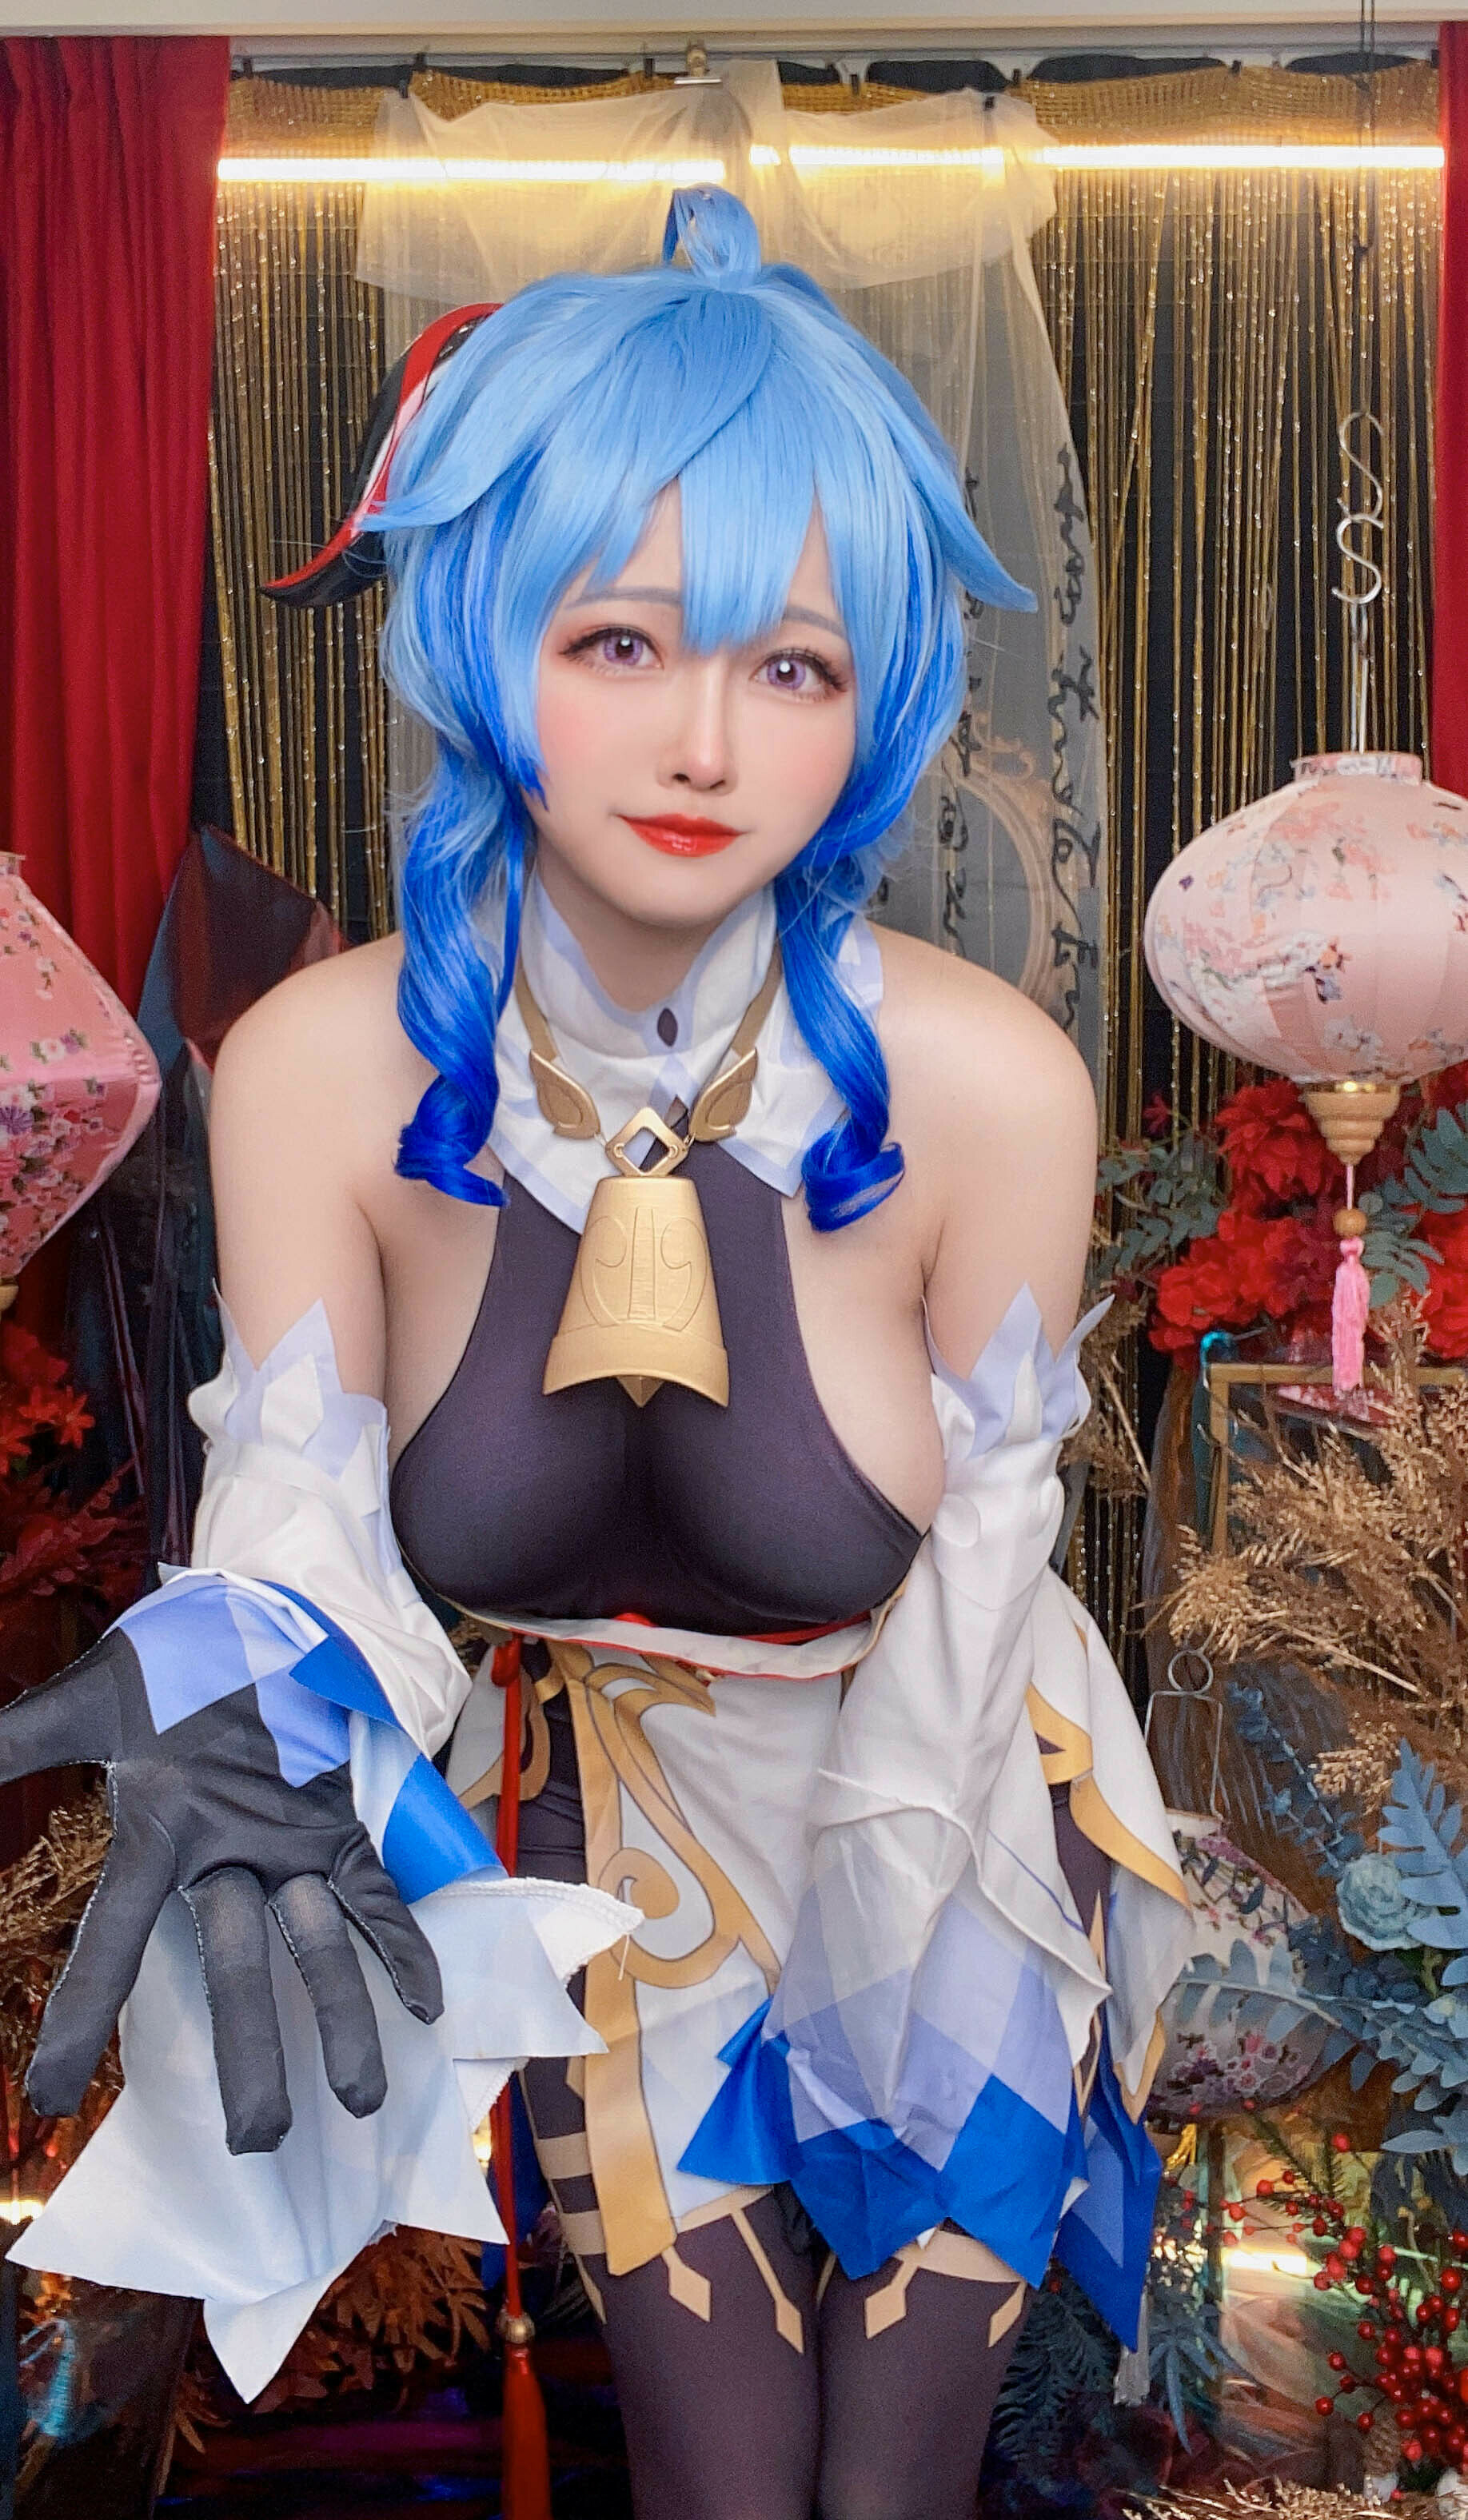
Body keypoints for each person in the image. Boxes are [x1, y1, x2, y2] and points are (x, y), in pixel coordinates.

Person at [1, 188, 1190, 2518]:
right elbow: (297, 1518)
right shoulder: (326, 1072)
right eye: (620, 638)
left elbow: (984, 1565)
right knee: (720, 2486)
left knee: (893, 2491)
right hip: (619, 1858)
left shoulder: (989, 1089)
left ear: (874, 706)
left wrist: (889, 1974)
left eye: (794, 667)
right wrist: (253, 1721)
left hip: (955, 1822)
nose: (704, 740)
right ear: (481, 638)